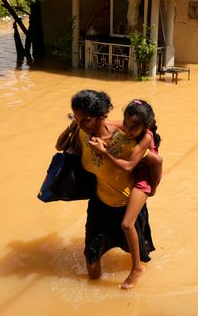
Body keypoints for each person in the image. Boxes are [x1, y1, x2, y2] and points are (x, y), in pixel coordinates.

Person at [55, 90, 162, 288]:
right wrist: (74, 125)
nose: (81, 125)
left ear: (101, 116)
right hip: (99, 205)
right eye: (77, 120)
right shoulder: (81, 133)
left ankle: (136, 270)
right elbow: (60, 145)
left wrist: (153, 189)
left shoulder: (128, 139)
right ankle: (92, 293)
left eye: (85, 120)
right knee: (91, 258)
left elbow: (156, 162)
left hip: (125, 206)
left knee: (139, 255)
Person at [88, 99, 161, 289]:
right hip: (130, 176)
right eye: (126, 123)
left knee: (127, 224)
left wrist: (103, 151)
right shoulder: (130, 126)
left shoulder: (146, 136)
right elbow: (109, 123)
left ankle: (137, 268)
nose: (127, 130)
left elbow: (129, 166)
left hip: (141, 180)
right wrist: (82, 120)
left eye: (133, 127)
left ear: (145, 126)